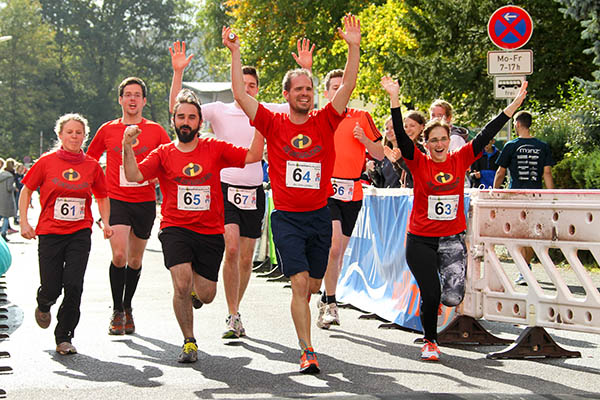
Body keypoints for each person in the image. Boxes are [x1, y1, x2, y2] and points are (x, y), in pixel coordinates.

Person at [223, 13, 361, 374]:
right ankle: (306, 349)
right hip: (286, 217)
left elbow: (347, 85)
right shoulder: (272, 120)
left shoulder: (325, 120)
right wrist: (236, 53)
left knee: (313, 285)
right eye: (298, 89)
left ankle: (316, 308)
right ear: (286, 95)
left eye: (309, 89)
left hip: (319, 213)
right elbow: (240, 94)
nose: (304, 94)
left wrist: (353, 46)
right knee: (299, 284)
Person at [168, 39, 312, 339]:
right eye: (241, 83)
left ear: (257, 89)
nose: (246, 89)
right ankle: (215, 296)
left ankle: (234, 312)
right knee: (230, 247)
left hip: (254, 188)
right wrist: (178, 73)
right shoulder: (220, 110)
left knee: (245, 256)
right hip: (224, 187)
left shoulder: (268, 111)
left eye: (252, 85)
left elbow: (305, 107)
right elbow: (178, 110)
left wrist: (305, 69)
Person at [381, 75, 528, 362]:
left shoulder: (460, 158)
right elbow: (399, 130)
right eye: (433, 140)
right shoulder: (417, 161)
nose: (439, 144)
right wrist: (394, 98)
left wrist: (512, 107)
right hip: (421, 239)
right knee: (431, 291)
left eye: (443, 139)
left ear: (449, 141)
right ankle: (431, 341)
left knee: (452, 297)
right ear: (425, 144)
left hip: (451, 239)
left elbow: (487, 133)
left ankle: (436, 303)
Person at [122, 89, 264, 363]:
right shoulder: (163, 153)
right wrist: (127, 146)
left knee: (208, 294)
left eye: (192, 117)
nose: (186, 122)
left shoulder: (214, 147)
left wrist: (261, 125)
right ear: (173, 120)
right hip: (176, 228)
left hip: (210, 231)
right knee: (182, 284)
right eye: (181, 117)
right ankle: (189, 341)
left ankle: (196, 295)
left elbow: (252, 156)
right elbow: (133, 174)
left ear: (200, 122)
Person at [19, 113, 112, 355]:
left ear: (84, 136)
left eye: (78, 132)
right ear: (60, 135)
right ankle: (44, 302)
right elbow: (26, 190)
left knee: (74, 285)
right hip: (50, 232)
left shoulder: (91, 165)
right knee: (52, 287)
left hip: (79, 233)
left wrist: (107, 222)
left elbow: (102, 196)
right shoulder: (46, 162)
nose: (74, 136)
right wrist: (25, 223)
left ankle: (64, 336)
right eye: (69, 132)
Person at [87, 77, 171, 336]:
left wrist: (157, 175)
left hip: (144, 201)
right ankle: (116, 311)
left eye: (137, 95)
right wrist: (96, 195)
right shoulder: (107, 130)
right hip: (116, 200)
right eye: (128, 94)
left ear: (144, 101)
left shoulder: (155, 130)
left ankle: (127, 305)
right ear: (120, 99)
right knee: (119, 256)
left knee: (135, 259)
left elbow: (170, 158)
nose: (132, 99)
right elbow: (89, 162)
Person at [316, 68, 384, 329]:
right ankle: (332, 302)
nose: (338, 91)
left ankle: (325, 296)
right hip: (327, 190)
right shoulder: (320, 118)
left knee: (339, 253)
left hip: (352, 191)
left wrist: (365, 139)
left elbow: (379, 154)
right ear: (327, 92)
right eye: (334, 87)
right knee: (333, 247)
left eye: (342, 86)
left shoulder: (362, 117)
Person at [493, 110, 555, 285]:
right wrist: (552, 197)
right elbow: (547, 173)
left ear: (518, 124)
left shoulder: (511, 146)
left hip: (516, 196)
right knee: (530, 234)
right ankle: (525, 269)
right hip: (536, 195)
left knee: (518, 234)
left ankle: (524, 270)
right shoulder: (542, 146)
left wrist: (493, 192)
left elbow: (500, 172)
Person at [379, 110, 427, 189]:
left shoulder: (422, 149)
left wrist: (399, 160)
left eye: (412, 126)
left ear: (422, 127)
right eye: (406, 127)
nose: (408, 130)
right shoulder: (406, 148)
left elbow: (417, 173)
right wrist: (395, 162)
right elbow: (402, 175)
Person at [365, 118, 403, 188]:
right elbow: (380, 184)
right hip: (388, 196)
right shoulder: (383, 155)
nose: (389, 131)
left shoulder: (406, 152)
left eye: (393, 128)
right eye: (387, 129)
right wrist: (373, 171)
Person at [0, 158, 17, 242]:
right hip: (6, 198)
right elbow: (9, 188)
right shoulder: (10, 176)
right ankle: (3, 232)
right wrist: (14, 187)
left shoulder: (1, 174)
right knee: (6, 217)